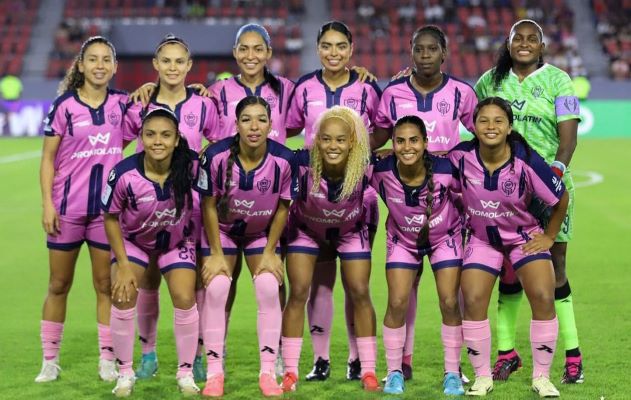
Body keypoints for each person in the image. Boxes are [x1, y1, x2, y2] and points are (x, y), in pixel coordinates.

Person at [474, 19, 583, 384]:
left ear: (542, 46)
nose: (524, 44)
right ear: (507, 44)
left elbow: (568, 139)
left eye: (531, 39)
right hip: (503, 191)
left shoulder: (560, 81)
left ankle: (572, 353)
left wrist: (552, 174)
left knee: (556, 266)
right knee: (508, 267)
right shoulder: (489, 81)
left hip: (548, 189)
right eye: (517, 39)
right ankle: (507, 353)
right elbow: (472, 124)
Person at [371, 24, 477, 381]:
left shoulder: (462, 92)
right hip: (404, 199)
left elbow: (483, 135)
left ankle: (454, 368)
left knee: (451, 297)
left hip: (446, 203)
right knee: (401, 295)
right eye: (419, 49)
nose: (426, 55)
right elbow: (381, 134)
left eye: (433, 49)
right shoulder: (394, 91)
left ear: (444, 53)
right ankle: (401, 364)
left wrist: (457, 156)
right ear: (411, 53)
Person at [448, 97, 568, 397]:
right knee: (473, 299)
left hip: (523, 237)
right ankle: (481, 377)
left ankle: (541, 377)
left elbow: (560, 198)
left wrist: (549, 237)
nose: (491, 127)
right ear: (473, 127)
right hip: (481, 239)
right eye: (484, 121)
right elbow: (428, 163)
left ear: (509, 126)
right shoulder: (460, 156)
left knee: (543, 295)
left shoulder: (525, 159)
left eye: (498, 121)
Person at [284, 20, 382, 382]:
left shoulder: (368, 88)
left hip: (354, 196)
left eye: (341, 46)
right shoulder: (304, 88)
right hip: (313, 196)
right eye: (327, 46)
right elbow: (287, 129)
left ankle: (359, 361)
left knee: (358, 287)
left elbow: (383, 127)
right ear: (317, 49)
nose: (334, 52)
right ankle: (320, 360)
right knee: (319, 284)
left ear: (351, 49)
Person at [122, 33, 218, 382]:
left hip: (192, 212)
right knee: (147, 283)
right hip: (147, 211)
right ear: (156, 65)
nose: (173, 67)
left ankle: (195, 355)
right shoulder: (140, 105)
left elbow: (218, 149)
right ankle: (148, 355)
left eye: (180, 61)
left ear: (189, 66)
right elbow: (121, 149)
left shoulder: (204, 105)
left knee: (194, 288)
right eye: (167, 61)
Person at [36, 36, 127, 384]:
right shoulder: (64, 107)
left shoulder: (123, 104)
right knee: (58, 284)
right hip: (66, 210)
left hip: (106, 214)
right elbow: (47, 160)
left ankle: (107, 360)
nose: (100, 65)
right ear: (82, 64)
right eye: (93, 59)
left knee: (105, 286)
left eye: (106, 59)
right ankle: (49, 360)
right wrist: (47, 204)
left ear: (115, 67)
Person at [194, 96, 294, 397]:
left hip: (259, 234)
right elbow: (208, 206)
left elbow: (283, 207)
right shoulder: (215, 156)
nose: (254, 126)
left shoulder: (284, 160)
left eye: (261, 119)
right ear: (236, 124)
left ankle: (267, 372)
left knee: (267, 285)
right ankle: (214, 373)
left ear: (271, 124)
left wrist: (270, 251)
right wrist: (214, 253)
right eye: (247, 119)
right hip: (221, 233)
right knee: (217, 288)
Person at [280, 106, 379, 393]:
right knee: (299, 292)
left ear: (351, 142)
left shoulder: (366, 167)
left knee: (359, 290)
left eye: (340, 139)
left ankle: (368, 369)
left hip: (351, 232)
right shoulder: (300, 163)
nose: (332, 146)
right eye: (326, 139)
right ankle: (290, 371)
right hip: (306, 232)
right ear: (315, 140)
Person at [102, 107, 200, 397]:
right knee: (122, 294)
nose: (158, 141)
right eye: (151, 135)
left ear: (177, 139)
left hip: (176, 242)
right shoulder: (123, 173)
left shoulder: (192, 166)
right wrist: (121, 263)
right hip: (134, 243)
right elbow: (109, 217)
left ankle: (184, 374)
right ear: (141, 138)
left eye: (166, 135)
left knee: (184, 297)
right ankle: (125, 373)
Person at [371, 115, 464, 395]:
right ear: (392, 144)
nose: (407, 147)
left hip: (444, 238)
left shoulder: (447, 170)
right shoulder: (380, 171)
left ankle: (452, 374)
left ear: (426, 143)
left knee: (449, 301)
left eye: (414, 140)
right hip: (402, 240)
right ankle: (394, 372)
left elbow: (468, 195)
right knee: (397, 301)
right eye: (400, 141)